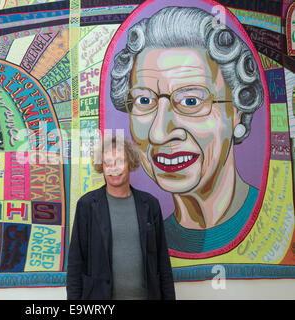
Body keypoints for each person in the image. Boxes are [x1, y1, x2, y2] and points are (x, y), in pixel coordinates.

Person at [109, 6, 264, 254]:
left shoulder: (276, 218)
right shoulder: (149, 238)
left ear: (237, 111)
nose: (158, 133)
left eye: (191, 102)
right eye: (144, 101)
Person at [66, 133, 175, 300]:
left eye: (119, 162)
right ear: (101, 167)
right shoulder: (87, 205)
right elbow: (75, 262)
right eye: (107, 163)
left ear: (130, 164)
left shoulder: (150, 204)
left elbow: (162, 262)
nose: (113, 168)